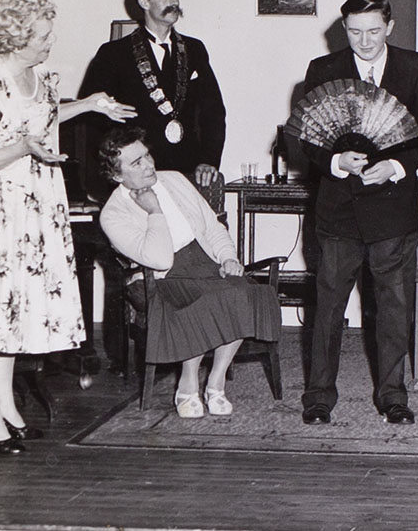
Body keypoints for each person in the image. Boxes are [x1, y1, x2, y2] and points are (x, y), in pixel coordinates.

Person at [0, 0, 135, 454]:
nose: (50, 41)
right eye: (43, 35)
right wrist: (23, 148)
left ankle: (6, 407)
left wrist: (89, 104)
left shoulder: (33, 74)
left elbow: (45, 115)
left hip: (32, 204)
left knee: (14, 306)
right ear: (16, 38)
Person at [300, 0, 418, 426]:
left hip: (393, 210)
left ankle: (393, 396)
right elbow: (307, 138)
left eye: (374, 31)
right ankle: (319, 396)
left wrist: (396, 166)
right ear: (344, 28)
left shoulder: (414, 67)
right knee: (327, 309)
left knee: (394, 307)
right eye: (355, 32)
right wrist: (336, 162)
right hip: (338, 211)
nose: (364, 41)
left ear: (390, 26)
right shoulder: (323, 69)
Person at [97, 127, 282, 418]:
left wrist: (228, 257)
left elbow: (212, 227)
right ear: (117, 176)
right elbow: (158, 259)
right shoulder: (113, 214)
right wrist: (155, 210)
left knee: (245, 293)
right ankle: (187, 383)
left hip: (204, 262)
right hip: (158, 278)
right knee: (206, 299)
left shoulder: (174, 180)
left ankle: (216, 382)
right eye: (137, 163)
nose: (149, 165)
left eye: (147, 156)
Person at [80, 0, 226, 187]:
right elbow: (94, 119)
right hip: (136, 171)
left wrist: (208, 160)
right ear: (144, 2)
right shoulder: (114, 54)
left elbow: (213, 112)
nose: (174, 1)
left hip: (186, 169)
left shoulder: (194, 49)